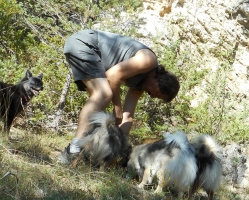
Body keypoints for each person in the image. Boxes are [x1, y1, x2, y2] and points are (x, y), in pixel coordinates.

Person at [58, 29, 180, 164]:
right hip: (85, 43)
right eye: (157, 94)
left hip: (85, 49)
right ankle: (73, 151)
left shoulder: (139, 87)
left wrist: (115, 149)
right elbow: (112, 75)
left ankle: (90, 153)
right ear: (159, 80)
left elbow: (126, 117)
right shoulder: (148, 60)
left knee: (99, 101)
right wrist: (117, 107)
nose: (152, 97)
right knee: (103, 94)